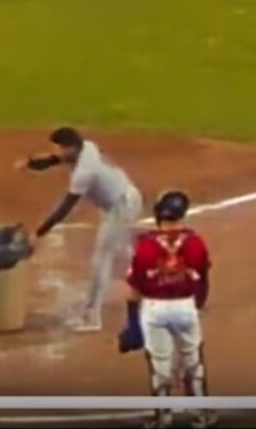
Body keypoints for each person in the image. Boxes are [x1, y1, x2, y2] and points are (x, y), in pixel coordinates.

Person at [16, 126, 143, 332]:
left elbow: (65, 207)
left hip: (121, 207)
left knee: (102, 259)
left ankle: (92, 317)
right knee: (121, 251)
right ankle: (150, 277)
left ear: (71, 148)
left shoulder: (85, 171)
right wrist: (31, 163)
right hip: (124, 196)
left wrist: (40, 232)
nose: (57, 152)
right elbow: (56, 159)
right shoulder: (87, 147)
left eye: (60, 148)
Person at [120, 190, 216, 428]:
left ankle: (162, 417)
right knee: (192, 361)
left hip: (154, 309)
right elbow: (203, 278)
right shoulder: (195, 242)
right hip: (185, 306)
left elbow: (133, 288)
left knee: (160, 365)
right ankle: (201, 414)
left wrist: (132, 322)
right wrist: (197, 304)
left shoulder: (145, 246)